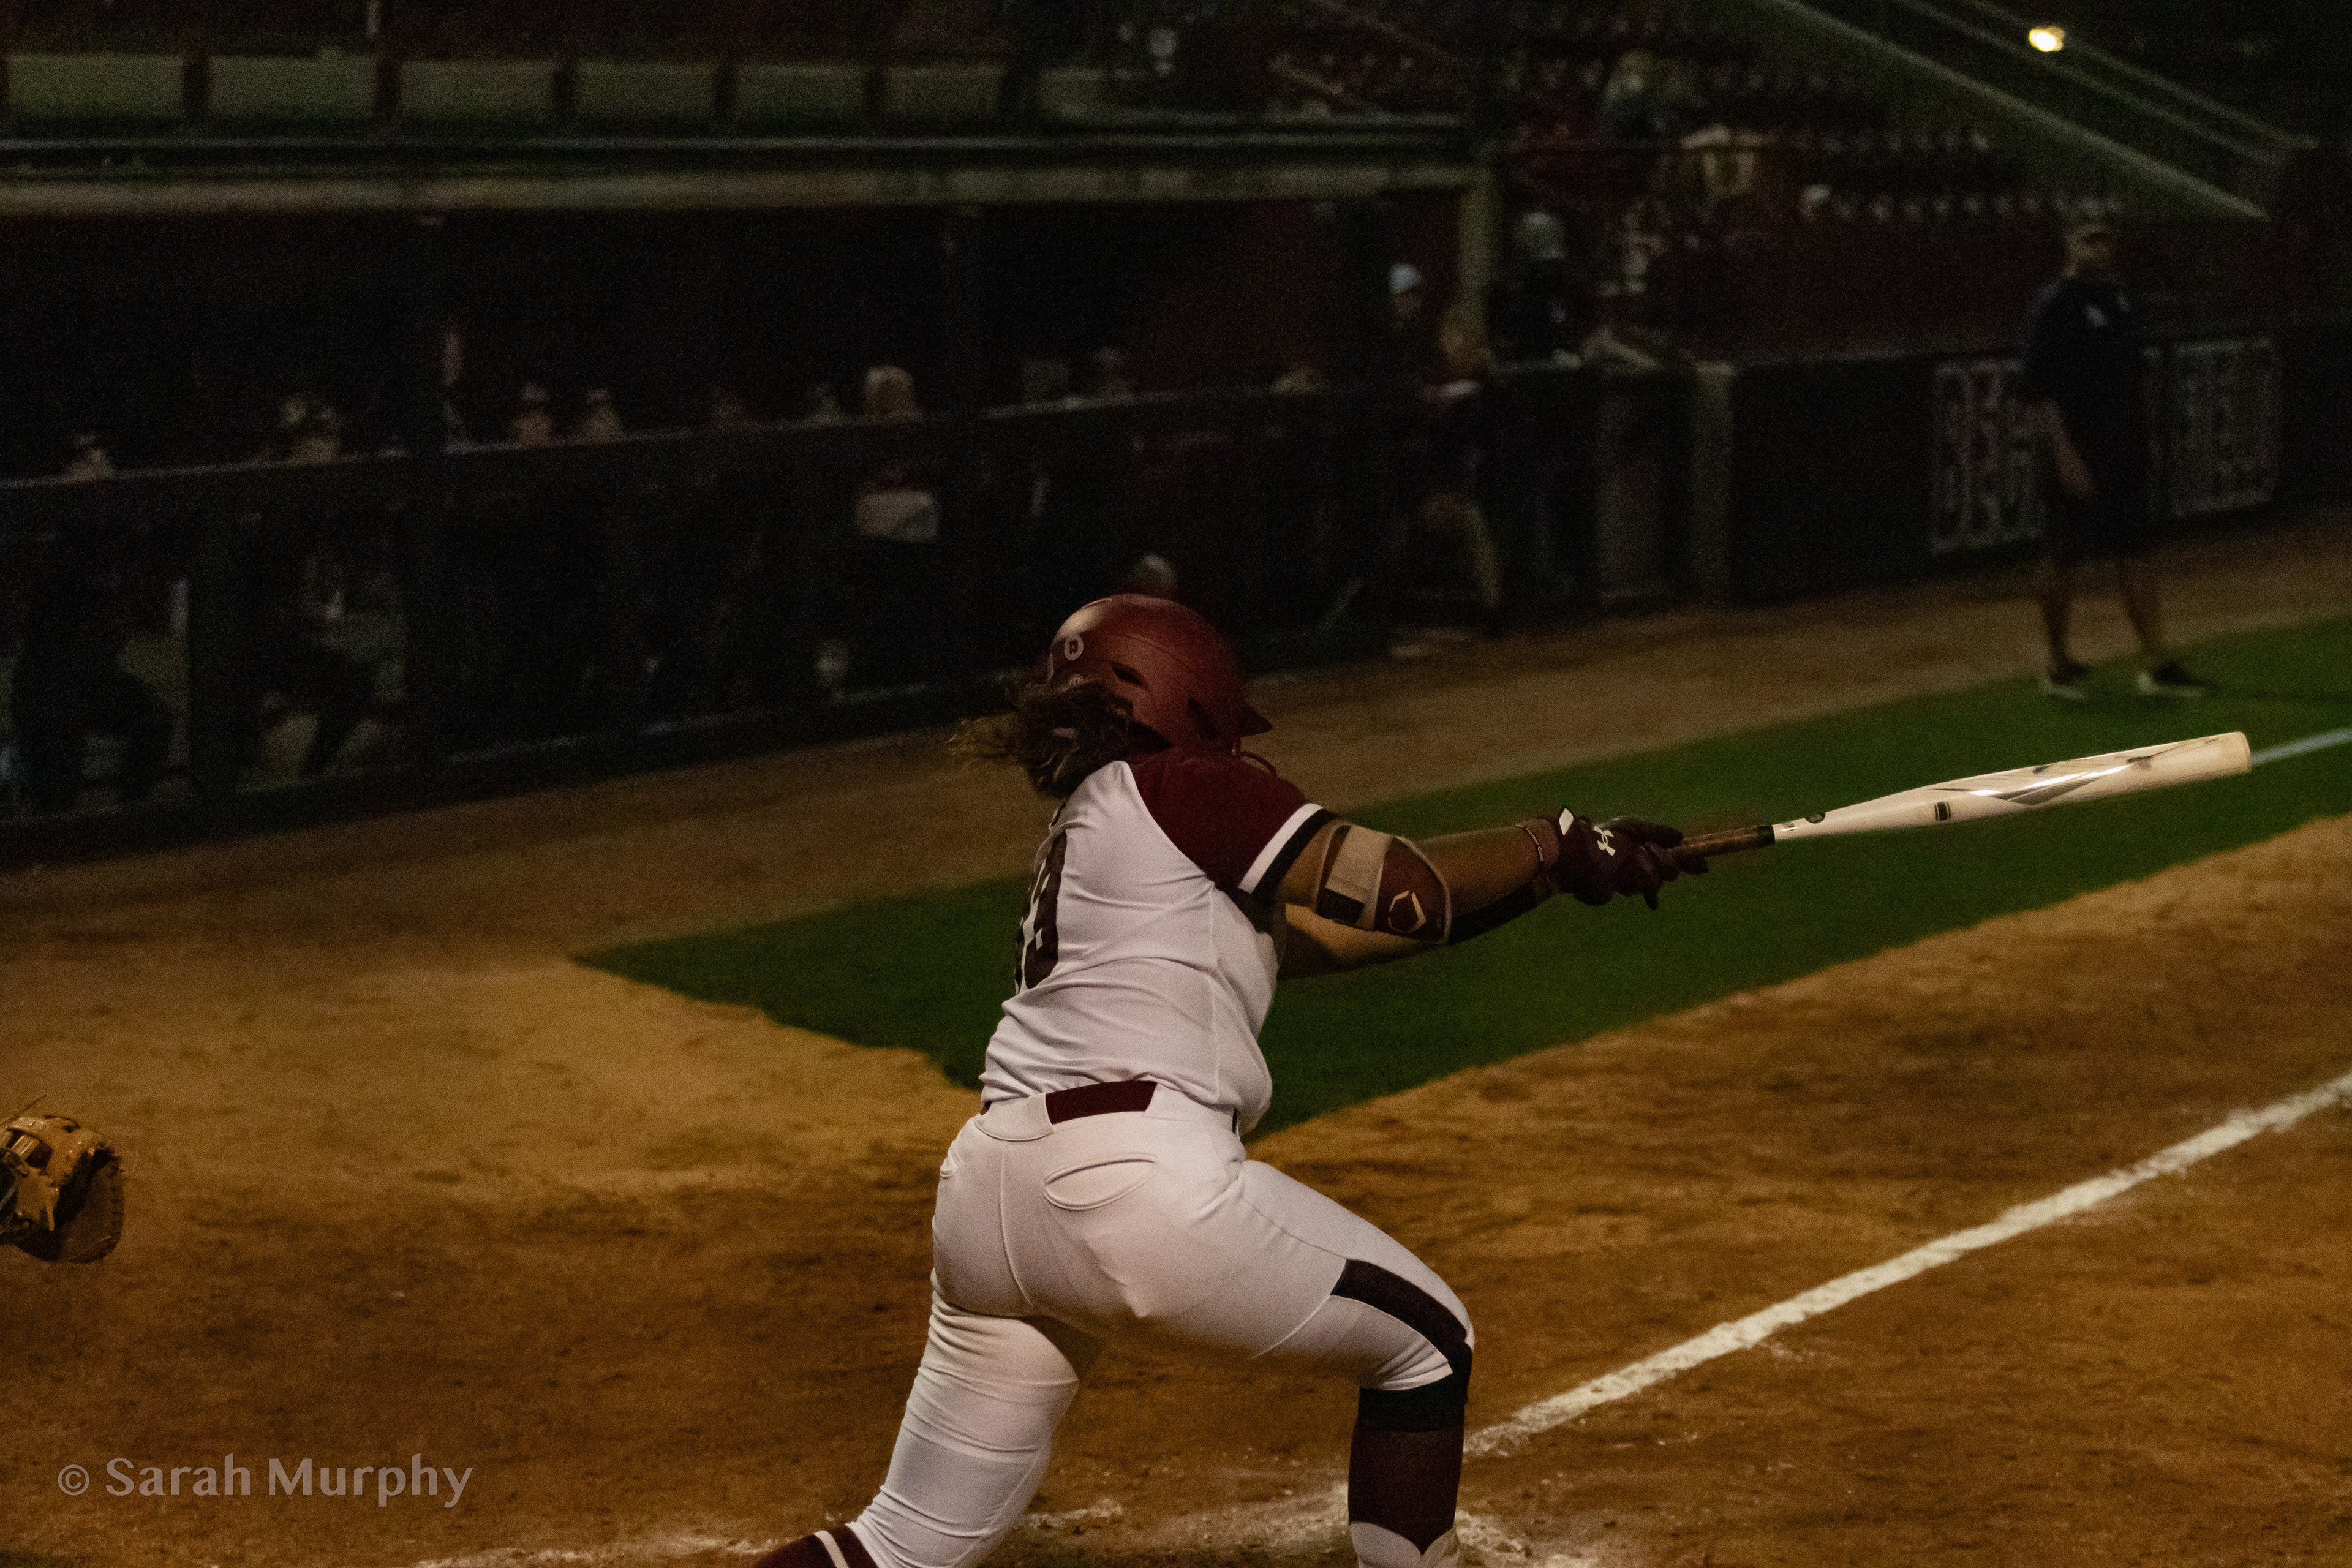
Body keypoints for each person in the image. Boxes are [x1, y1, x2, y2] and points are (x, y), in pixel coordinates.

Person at [749, 594, 1703, 1568]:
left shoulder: (1104, 828)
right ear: (1187, 699)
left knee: (897, 1545)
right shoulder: (1186, 787)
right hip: (1132, 1189)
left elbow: (1358, 934)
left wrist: (1557, 874)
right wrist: (1556, 837)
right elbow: (1400, 890)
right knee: (1427, 1344)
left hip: (991, 1203)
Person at [2022, 217, 2204, 699]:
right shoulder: (2055, 305)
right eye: (2088, 240)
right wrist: (2063, 454)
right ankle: (2057, 664)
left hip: (2122, 446)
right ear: (2069, 243)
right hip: (2077, 446)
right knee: (2064, 553)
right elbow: (2040, 391)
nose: (2098, 249)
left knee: (2136, 551)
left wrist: (2146, 434)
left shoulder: (2121, 300)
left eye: (2104, 240)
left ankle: (2156, 662)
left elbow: (2132, 375)